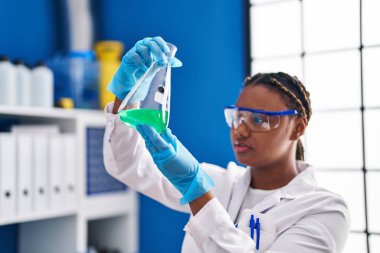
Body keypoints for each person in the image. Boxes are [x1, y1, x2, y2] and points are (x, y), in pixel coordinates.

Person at [103, 37, 350, 253]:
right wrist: (127, 95)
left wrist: (197, 192)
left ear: (298, 127)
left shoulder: (325, 210)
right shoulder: (221, 182)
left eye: (259, 119)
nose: (239, 130)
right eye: (237, 117)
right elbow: (128, 165)